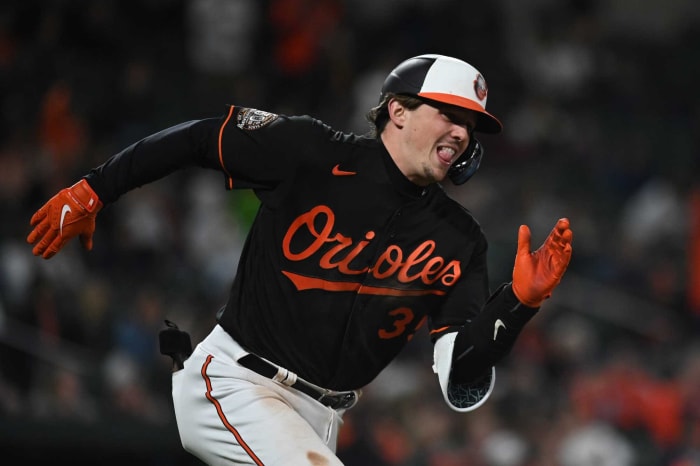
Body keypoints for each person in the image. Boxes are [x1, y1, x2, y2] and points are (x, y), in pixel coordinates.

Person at [27, 54, 573, 465]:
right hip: (238, 383)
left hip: (322, 418)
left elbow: (459, 377)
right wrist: (96, 189)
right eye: (449, 112)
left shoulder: (460, 239)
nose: (461, 130)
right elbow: (199, 139)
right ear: (398, 112)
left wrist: (517, 305)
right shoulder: (313, 152)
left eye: (470, 124)